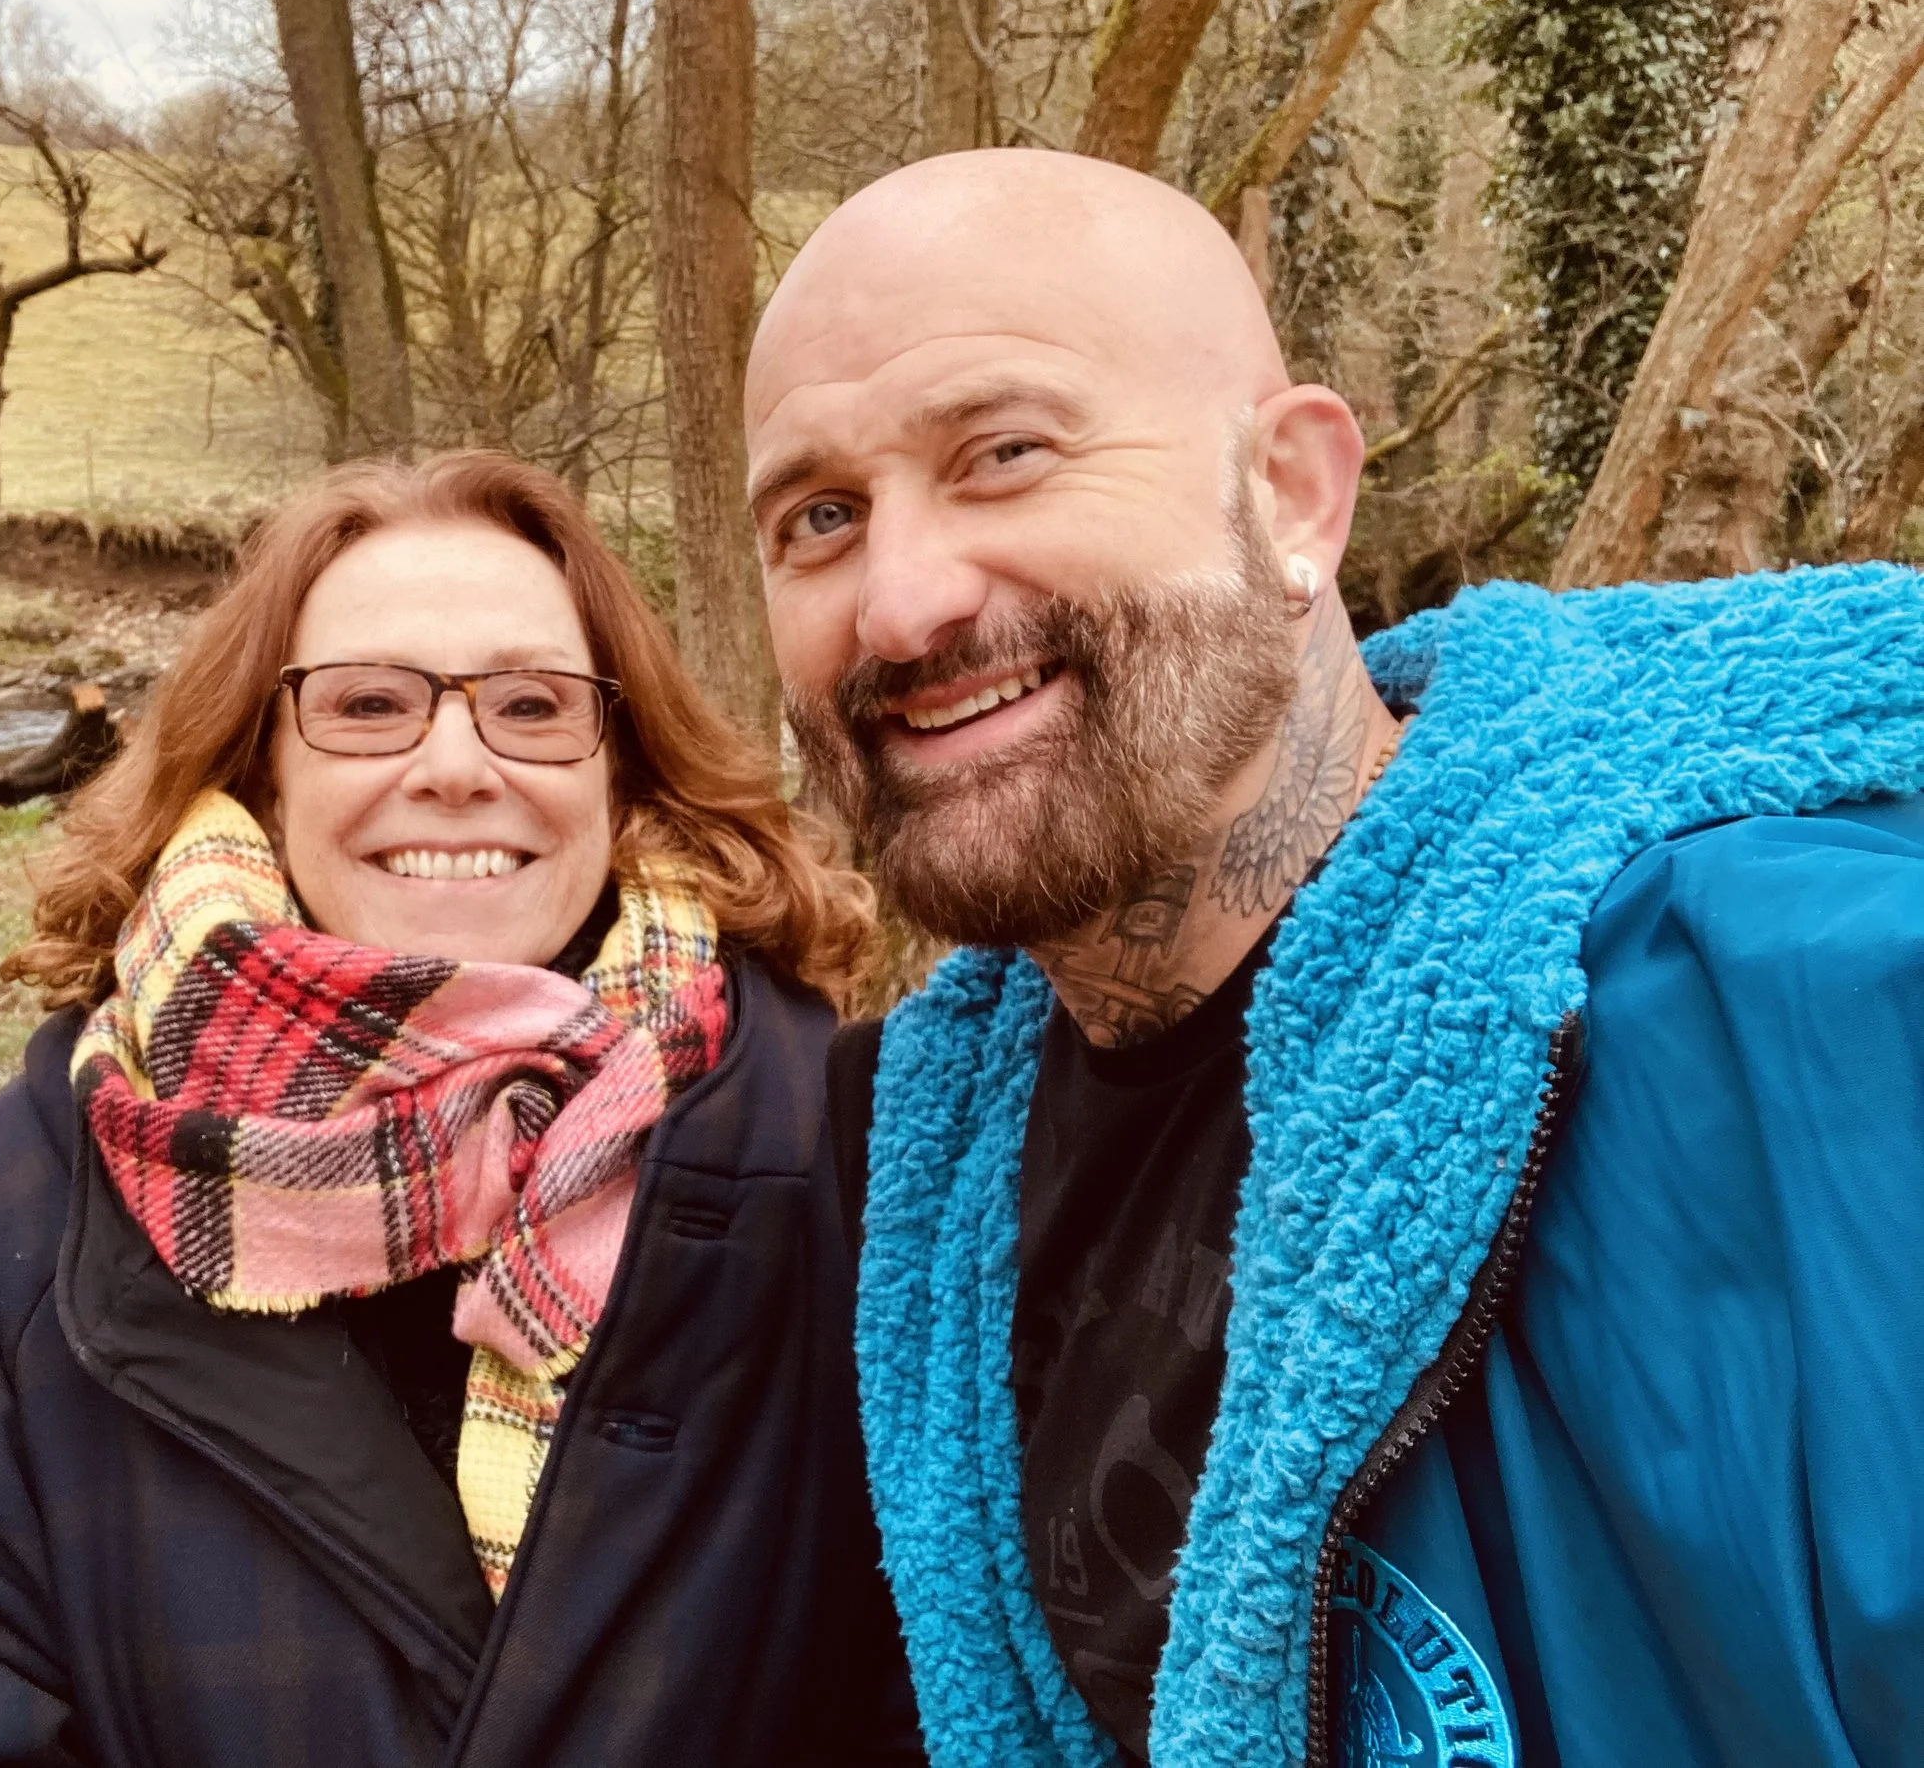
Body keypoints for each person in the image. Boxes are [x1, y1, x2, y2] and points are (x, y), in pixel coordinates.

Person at [749, 147, 1924, 1768]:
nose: (898, 602)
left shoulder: (1806, 1009)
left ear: (1294, 493)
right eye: (818, 516)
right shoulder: (918, 1164)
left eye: (1006, 452)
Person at [0, 451, 922, 1766]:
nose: (456, 762)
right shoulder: (40, 1178)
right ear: (262, 769)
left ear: (621, 768)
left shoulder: (834, 1143)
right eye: (371, 703)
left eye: (532, 703)